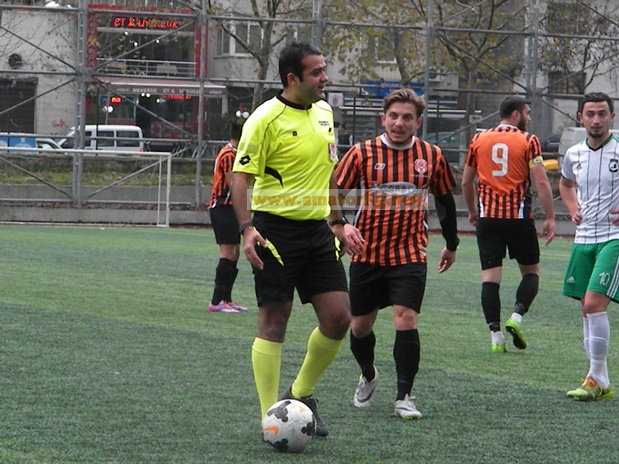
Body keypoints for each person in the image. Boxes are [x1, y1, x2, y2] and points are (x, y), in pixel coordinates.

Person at [230, 42, 351, 438]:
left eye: (324, 69)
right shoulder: (264, 118)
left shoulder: (325, 112)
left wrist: (338, 222)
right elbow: (240, 178)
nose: (325, 78)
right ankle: (271, 418)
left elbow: (330, 173)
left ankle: (299, 395)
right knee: (274, 320)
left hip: (317, 232)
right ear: (292, 79)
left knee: (339, 318)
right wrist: (247, 229)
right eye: (317, 72)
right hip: (275, 232)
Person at [335, 88, 460, 419]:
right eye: (393, 116)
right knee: (360, 327)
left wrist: (451, 243)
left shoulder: (431, 155)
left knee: (406, 318)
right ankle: (368, 374)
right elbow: (334, 194)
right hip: (366, 253)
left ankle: (404, 396)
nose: (399, 123)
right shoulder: (361, 153)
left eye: (407, 117)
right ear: (383, 119)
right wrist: (342, 226)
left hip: (409, 253)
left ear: (418, 122)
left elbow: (445, 200)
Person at [461, 96, 555, 353]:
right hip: (518, 218)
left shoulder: (478, 139)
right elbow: (541, 181)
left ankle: (495, 337)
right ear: (516, 115)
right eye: (527, 113)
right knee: (531, 272)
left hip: (488, 219)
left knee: (490, 278)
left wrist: (473, 211)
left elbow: (466, 182)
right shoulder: (528, 140)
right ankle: (516, 316)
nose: (529, 118)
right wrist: (550, 217)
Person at [560, 92, 619, 401]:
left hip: (614, 237)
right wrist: (572, 208)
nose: (596, 120)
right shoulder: (574, 153)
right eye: (590, 114)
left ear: (612, 117)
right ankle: (601, 380)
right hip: (583, 238)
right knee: (586, 307)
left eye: (602, 113)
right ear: (580, 118)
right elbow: (565, 183)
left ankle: (594, 378)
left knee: (593, 304)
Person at [207, 120, 248, 314]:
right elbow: (234, 183)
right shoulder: (229, 154)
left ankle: (227, 298)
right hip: (222, 207)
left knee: (235, 253)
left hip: (232, 207)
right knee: (227, 253)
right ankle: (216, 301)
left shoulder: (235, 153)